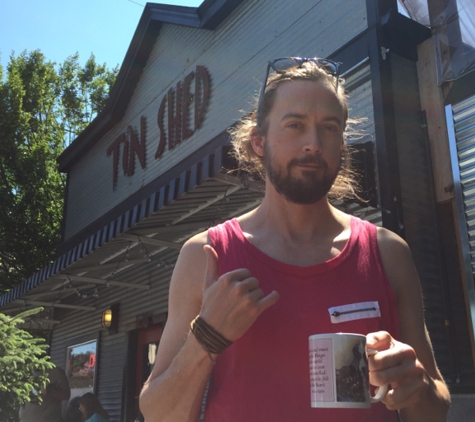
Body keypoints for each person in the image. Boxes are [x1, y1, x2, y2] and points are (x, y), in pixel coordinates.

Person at [139, 57, 451, 421]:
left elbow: (434, 410)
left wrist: (418, 385)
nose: (313, 144)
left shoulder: (388, 253)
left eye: (329, 128)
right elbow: (160, 415)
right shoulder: (206, 255)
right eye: (295, 125)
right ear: (259, 142)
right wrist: (206, 337)